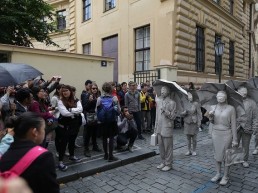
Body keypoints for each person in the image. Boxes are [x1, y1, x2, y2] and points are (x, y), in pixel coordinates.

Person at [0, 112, 60, 193]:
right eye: (43, 129)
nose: (44, 132)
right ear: (35, 132)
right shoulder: (44, 157)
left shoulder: (4, 155)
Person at [208, 91, 238, 185]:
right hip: (215, 133)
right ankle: (217, 174)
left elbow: (233, 124)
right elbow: (212, 122)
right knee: (217, 155)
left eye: (222, 96)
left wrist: (235, 139)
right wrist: (211, 116)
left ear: (225, 97)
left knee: (226, 156)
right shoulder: (213, 107)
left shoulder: (231, 108)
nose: (220, 97)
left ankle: (225, 176)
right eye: (218, 96)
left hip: (226, 134)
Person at [56, 85, 83, 171]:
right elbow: (64, 113)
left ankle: (72, 156)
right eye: (63, 91)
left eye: (66, 90)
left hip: (74, 125)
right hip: (64, 126)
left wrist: (70, 110)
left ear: (70, 91)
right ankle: (60, 162)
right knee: (63, 144)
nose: (65, 92)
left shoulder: (76, 100)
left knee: (72, 141)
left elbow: (81, 109)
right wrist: (75, 112)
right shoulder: (60, 101)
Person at [96, 82, 120, 162]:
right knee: (111, 138)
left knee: (104, 138)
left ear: (103, 89)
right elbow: (118, 110)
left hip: (103, 121)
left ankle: (105, 154)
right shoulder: (114, 98)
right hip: (112, 121)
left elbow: (96, 110)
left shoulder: (99, 99)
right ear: (111, 89)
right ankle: (111, 156)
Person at [155, 86, 176, 171]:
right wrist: (155, 126)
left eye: (164, 90)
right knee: (161, 146)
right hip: (159, 127)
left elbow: (173, 116)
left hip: (167, 127)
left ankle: (169, 163)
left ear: (168, 92)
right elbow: (157, 115)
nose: (162, 91)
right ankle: (163, 161)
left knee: (168, 147)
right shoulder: (159, 101)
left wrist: (165, 111)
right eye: (161, 90)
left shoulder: (172, 102)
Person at [236, 86, 258, 167]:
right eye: (242, 91)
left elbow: (256, 116)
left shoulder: (252, 102)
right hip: (236, 127)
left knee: (246, 145)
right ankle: (235, 158)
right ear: (238, 92)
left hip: (247, 127)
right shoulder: (234, 101)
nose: (244, 93)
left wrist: (255, 127)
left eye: (245, 91)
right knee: (235, 144)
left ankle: (244, 160)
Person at [180, 90, 202, 156]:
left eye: (191, 96)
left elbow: (199, 113)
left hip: (194, 122)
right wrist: (184, 113)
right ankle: (188, 150)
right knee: (188, 138)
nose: (190, 97)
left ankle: (194, 150)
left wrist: (199, 122)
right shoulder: (185, 103)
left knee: (194, 138)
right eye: (188, 96)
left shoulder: (196, 104)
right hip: (187, 122)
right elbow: (181, 113)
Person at [83, 83, 102, 157]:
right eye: (93, 88)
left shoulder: (98, 96)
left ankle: (95, 146)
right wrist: (90, 101)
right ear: (90, 89)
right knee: (88, 133)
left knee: (95, 132)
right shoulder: (87, 95)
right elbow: (84, 107)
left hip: (96, 116)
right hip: (89, 116)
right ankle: (86, 149)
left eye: (96, 88)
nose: (95, 90)